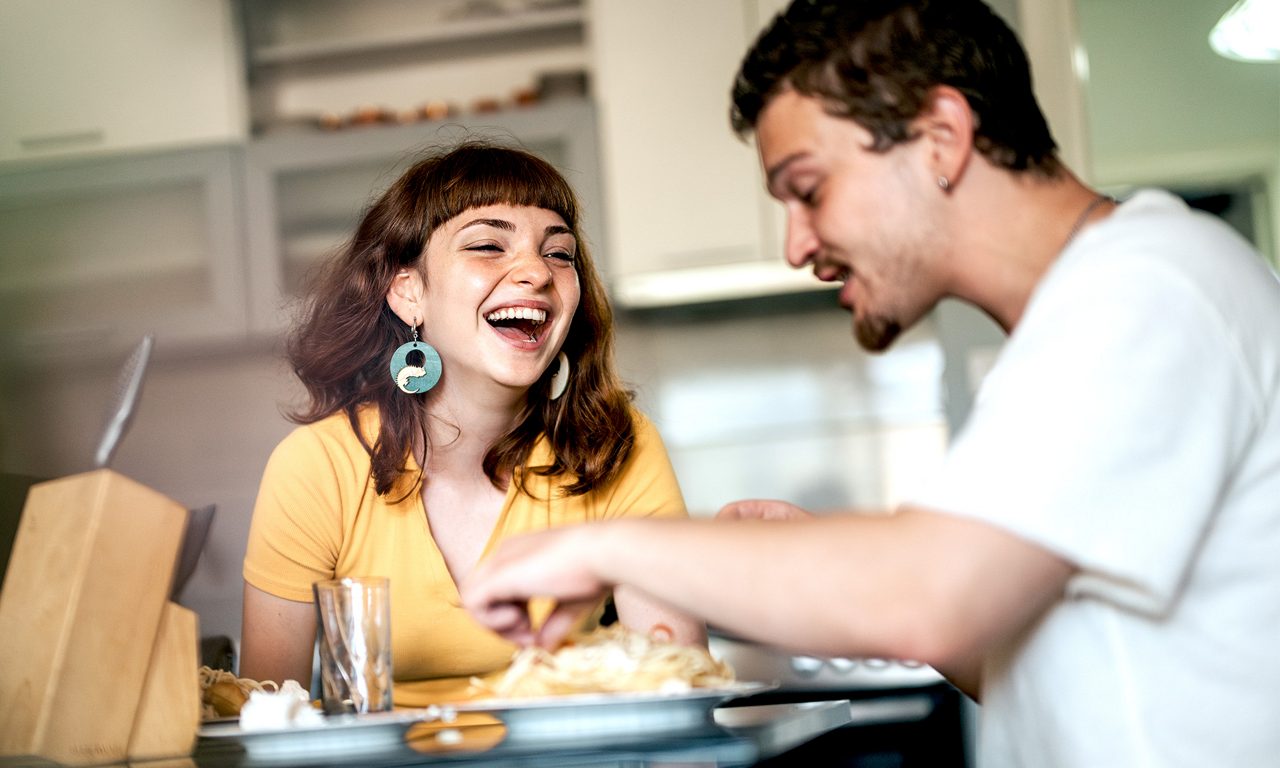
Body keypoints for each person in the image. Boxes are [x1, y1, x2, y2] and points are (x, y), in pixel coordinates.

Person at [460, 1, 1280, 765]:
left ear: (941, 138)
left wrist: (601, 545)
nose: (795, 243)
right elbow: (1029, 665)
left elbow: (929, 593)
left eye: (808, 190)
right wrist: (820, 565)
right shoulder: (1082, 320)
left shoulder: (1146, 289)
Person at [239, 140, 705, 707]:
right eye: (488, 245)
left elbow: (678, 685)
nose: (537, 271)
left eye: (560, 254)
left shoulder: (614, 445)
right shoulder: (318, 466)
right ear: (408, 292)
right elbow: (265, 716)